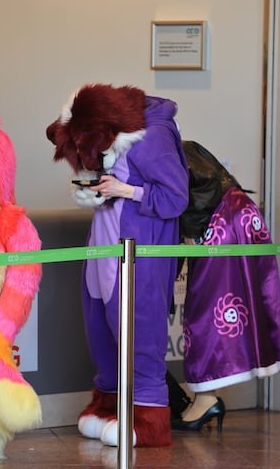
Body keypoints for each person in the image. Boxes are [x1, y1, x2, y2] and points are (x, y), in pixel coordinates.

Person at [46, 83, 189, 447]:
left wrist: (126, 191)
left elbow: (175, 198)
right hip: (103, 247)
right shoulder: (93, 133)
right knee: (100, 329)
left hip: (138, 253)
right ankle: (108, 404)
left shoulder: (152, 138)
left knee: (139, 330)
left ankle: (148, 418)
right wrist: (95, 190)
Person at [172, 140, 280, 431]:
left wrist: (189, 230)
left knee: (204, 309)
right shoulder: (179, 145)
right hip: (241, 217)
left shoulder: (165, 150)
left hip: (222, 224)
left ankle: (206, 399)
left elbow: (183, 196)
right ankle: (207, 396)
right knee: (245, 299)